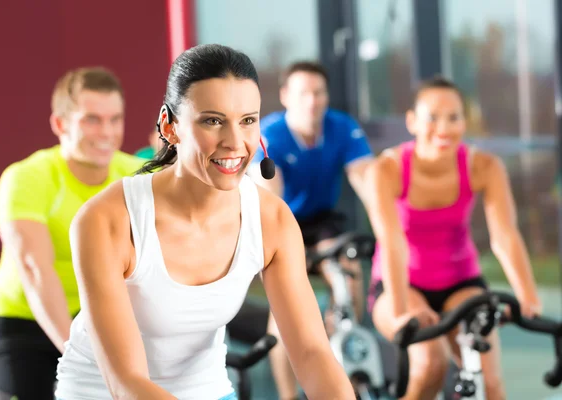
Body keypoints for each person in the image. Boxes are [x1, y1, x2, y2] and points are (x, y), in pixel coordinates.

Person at [54, 44, 356, 400]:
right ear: (170, 126)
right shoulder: (108, 220)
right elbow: (126, 383)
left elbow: (311, 353)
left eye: (247, 121)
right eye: (213, 120)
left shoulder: (271, 219)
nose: (234, 143)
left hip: (206, 390)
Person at [364, 76, 542, 400]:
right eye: (432, 117)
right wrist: (402, 310)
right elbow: (391, 241)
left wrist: (527, 298)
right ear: (412, 121)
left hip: (461, 282)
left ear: (465, 120)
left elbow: (504, 236)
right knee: (431, 363)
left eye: (454, 117)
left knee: (490, 379)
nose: (444, 128)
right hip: (400, 285)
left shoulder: (484, 166)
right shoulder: (387, 169)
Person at [0, 67, 145, 400]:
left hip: (101, 317)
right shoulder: (27, 177)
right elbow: (36, 270)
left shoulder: (136, 175)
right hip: (23, 324)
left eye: (115, 119)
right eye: (92, 120)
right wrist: (82, 355)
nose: (107, 132)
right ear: (60, 124)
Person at [247, 61, 374, 399]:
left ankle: (335, 369)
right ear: (286, 96)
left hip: (320, 222)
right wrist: (295, 255)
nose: (312, 101)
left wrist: (388, 235)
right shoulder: (269, 136)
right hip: (277, 221)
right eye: (304, 93)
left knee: (349, 277)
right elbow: (272, 208)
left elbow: (368, 184)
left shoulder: (341, 127)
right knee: (284, 313)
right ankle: (289, 396)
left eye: (319, 93)